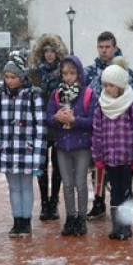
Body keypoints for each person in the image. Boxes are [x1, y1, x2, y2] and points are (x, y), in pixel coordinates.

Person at [0, 56, 48, 237]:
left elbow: (41, 126)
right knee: (13, 187)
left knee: (26, 185)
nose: (9, 81)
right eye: (6, 77)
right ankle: (17, 220)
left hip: (27, 150)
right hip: (7, 150)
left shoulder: (32, 96)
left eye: (13, 77)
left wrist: (38, 155)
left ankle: (26, 220)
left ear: (21, 77)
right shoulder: (0, 97)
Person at [91, 57, 133, 240]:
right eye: (105, 85)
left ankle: (126, 226)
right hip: (109, 158)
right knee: (114, 192)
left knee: (126, 191)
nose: (107, 89)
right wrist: (97, 156)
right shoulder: (101, 106)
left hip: (127, 158)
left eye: (111, 85)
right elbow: (97, 132)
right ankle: (116, 226)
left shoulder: (131, 105)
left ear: (120, 86)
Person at [84, 31, 133, 220]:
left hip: (121, 131)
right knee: (97, 170)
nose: (104, 51)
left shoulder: (125, 72)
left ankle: (124, 214)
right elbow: (86, 97)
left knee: (121, 179)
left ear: (115, 47)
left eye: (107, 47)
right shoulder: (90, 71)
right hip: (99, 127)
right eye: (101, 47)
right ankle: (98, 203)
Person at [46, 55, 98, 236]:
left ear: (79, 73)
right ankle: (70, 217)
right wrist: (56, 118)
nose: (68, 77)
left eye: (72, 73)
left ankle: (81, 218)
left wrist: (75, 120)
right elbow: (48, 118)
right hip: (62, 145)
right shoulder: (56, 94)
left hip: (81, 145)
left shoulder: (88, 94)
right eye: (65, 73)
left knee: (80, 183)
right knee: (67, 184)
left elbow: (93, 120)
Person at [28, 33, 68, 221]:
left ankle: (54, 202)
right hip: (40, 125)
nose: (49, 54)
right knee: (41, 165)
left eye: (52, 51)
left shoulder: (64, 73)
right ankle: (44, 202)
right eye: (46, 51)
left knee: (58, 165)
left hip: (58, 124)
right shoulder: (35, 73)